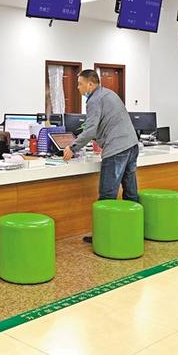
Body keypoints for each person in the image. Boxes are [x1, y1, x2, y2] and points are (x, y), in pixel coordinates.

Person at [62, 70, 139, 243]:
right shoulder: (109, 93)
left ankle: (104, 238)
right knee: (131, 192)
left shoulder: (94, 99)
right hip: (131, 145)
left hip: (117, 149)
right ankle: (132, 233)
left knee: (107, 194)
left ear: (90, 84)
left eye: (80, 84)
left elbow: (90, 129)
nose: (78, 87)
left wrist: (73, 147)